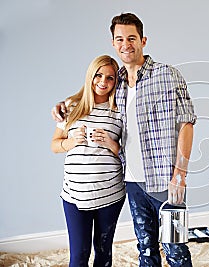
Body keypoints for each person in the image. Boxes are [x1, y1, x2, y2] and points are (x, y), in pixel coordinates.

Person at [52, 13, 196, 267]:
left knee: (176, 248)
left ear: (143, 40)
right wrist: (62, 106)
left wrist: (180, 173)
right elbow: (90, 92)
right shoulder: (115, 81)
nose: (126, 44)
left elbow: (187, 122)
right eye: (120, 39)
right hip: (132, 184)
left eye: (131, 38)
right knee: (146, 249)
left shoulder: (168, 75)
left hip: (166, 180)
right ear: (113, 43)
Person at [51, 55, 125, 267]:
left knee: (103, 254)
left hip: (110, 194)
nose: (103, 82)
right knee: (78, 257)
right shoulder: (70, 106)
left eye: (110, 78)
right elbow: (55, 145)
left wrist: (111, 143)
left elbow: (128, 153)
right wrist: (71, 142)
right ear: (90, 76)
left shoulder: (119, 111)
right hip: (75, 194)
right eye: (98, 75)